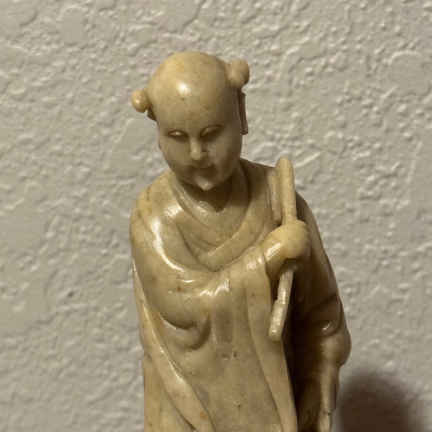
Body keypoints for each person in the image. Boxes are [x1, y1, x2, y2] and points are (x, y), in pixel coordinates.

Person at [130, 51, 350, 432]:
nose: (197, 154)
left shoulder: (278, 200)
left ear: (242, 115)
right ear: (159, 135)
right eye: (178, 138)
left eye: (211, 134)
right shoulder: (153, 216)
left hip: (279, 411)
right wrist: (268, 258)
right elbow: (183, 305)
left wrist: (318, 374)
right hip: (186, 413)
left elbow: (321, 314)